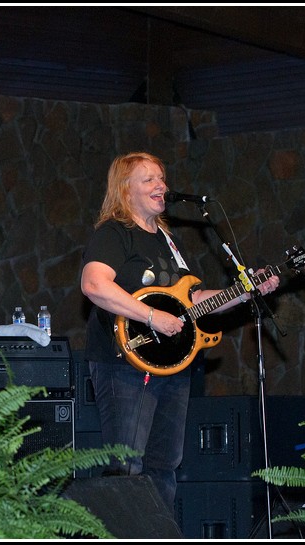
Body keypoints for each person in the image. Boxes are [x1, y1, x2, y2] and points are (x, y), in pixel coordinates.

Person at [80, 151, 279, 510]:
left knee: (164, 466)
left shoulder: (168, 241)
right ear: (126, 190)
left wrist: (247, 288)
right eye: (150, 180)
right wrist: (152, 317)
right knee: (127, 466)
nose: (162, 186)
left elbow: (195, 299)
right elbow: (94, 285)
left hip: (173, 365)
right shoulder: (115, 234)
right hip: (125, 364)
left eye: (162, 178)